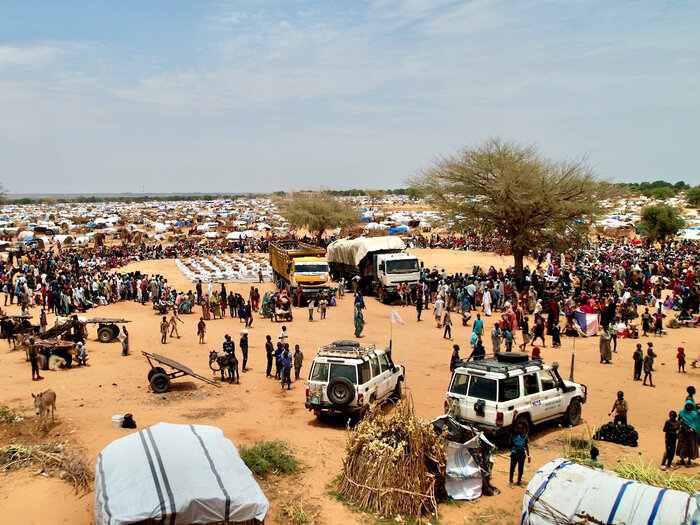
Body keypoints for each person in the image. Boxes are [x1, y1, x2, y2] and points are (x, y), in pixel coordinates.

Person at [677, 400, 700, 466]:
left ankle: (689, 460)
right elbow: (679, 420)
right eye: (687, 405)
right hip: (683, 432)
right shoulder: (682, 413)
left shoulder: (695, 414)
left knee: (690, 446)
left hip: (691, 433)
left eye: (690, 405)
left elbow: (697, 424)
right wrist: (684, 427)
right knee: (683, 446)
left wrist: (692, 429)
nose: (689, 407)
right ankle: (682, 459)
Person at [508, 421, 530, 488]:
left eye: (521, 428)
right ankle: (511, 482)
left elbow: (526, 446)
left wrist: (528, 455)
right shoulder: (515, 434)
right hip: (514, 453)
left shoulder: (525, 436)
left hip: (522, 454)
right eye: (519, 428)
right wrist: (514, 416)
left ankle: (519, 481)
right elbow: (512, 426)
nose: (520, 430)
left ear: (523, 428)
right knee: (512, 468)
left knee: (521, 468)